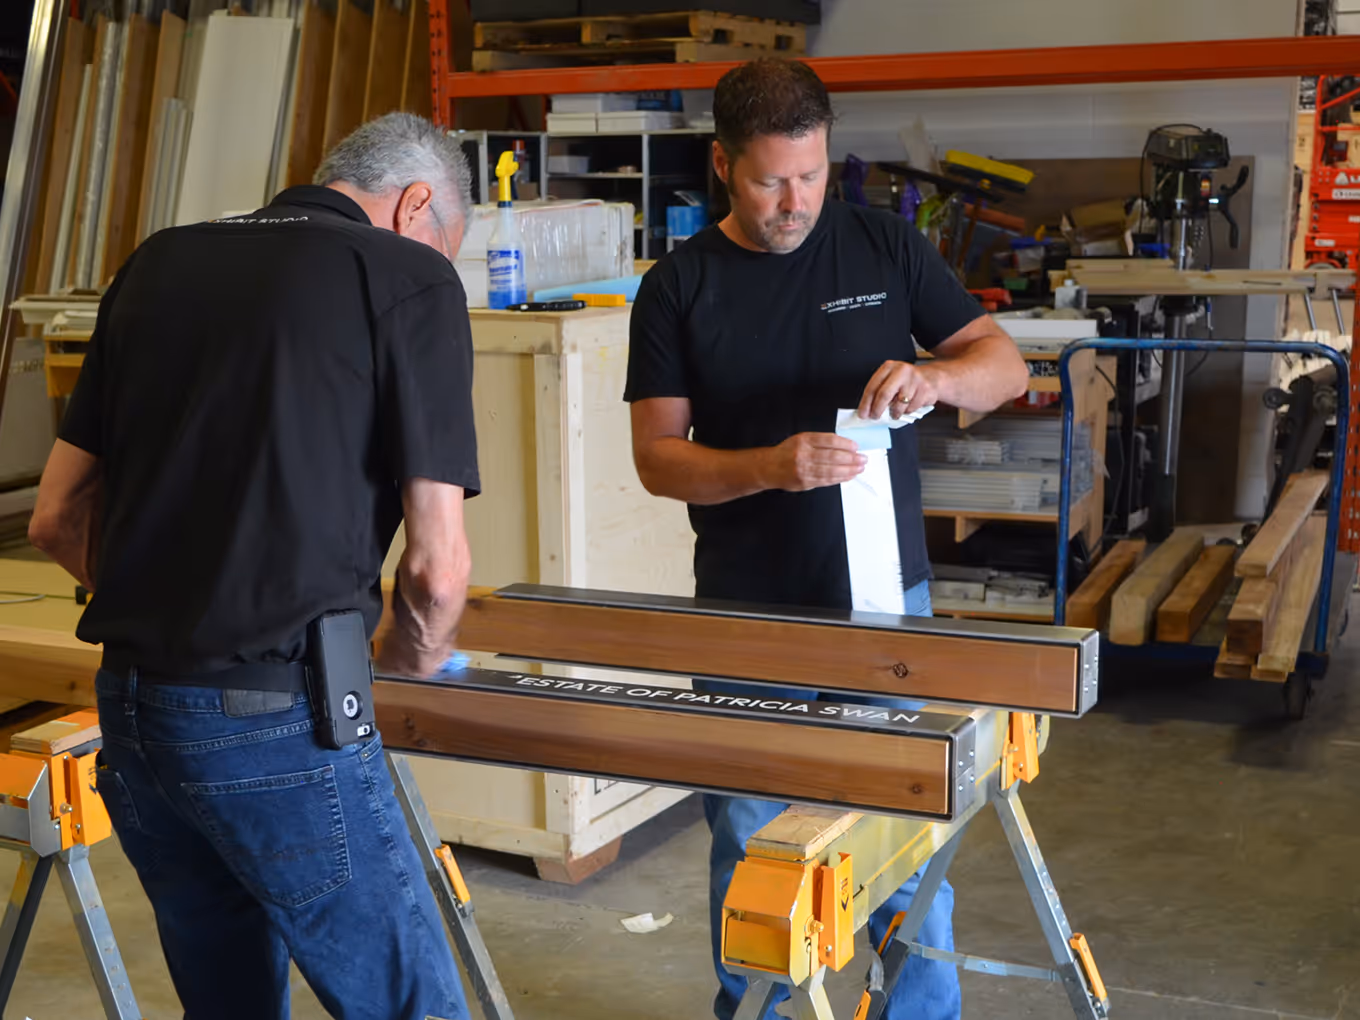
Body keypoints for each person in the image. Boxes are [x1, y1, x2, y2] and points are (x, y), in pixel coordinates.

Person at [28, 113, 480, 1020]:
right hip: (278, 716)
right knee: (410, 1005)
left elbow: (53, 516)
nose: (445, 263)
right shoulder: (407, 277)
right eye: (448, 245)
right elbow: (435, 570)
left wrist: (181, 605)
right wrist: (413, 653)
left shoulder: (158, 261)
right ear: (417, 205)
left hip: (135, 713)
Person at [625, 59, 1029, 1020]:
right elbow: (657, 457)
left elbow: (1002, 364)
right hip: (745, 614)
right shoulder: (678, 287)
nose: (794, 202)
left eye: (810, 175)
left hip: (888, 602)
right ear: (724, 164)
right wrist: (767, 466)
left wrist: (939, 382)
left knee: (906, 844)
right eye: (770, 180)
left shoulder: (882, 245)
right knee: (755, 857)